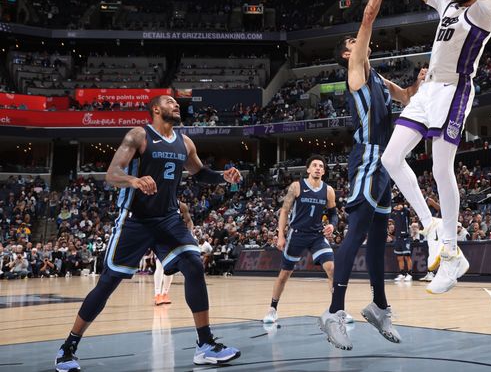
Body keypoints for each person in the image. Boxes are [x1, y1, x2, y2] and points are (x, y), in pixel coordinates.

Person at [54, 95, 241, 371]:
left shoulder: (185, 142)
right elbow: (111, 173)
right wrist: (134, 180)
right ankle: (68, 348)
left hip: (168, 220)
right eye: (169, 102)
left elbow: (199, 173)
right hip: (135, 221)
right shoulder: (139, 135)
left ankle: (205, 345)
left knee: (193, 264)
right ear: (156, 109)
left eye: (177, 103)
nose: (176, 105)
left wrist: (222, 176)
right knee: (107, 283)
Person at [381, 0, 491, 295]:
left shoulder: (487, 9)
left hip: (455, 89)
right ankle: (431, 225)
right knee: (390, 158)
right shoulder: (448, 3)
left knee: (439, 166)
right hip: (428, 90)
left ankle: (451, 253)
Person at [321, 0, 424, 351]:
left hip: (387, 162)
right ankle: (333, 311)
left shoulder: (378, 76)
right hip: (367, 157)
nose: (358, 41)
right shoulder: (356, 73)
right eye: (352, 43)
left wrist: (416, 84)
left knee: (379, 237)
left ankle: (379, 305)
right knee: (358, 233)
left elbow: (404, 97)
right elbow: (366, 21)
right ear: (347, 54)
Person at [263, 155, 337, 324]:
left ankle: (336, 309)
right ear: (309, 169)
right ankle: (272, 308)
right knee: (285, 274)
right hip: (296, 234)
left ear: (324, 171)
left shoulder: (328, 190)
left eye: (321, 166)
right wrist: (281, 235)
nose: (318, 168)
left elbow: (333, 214)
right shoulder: (296, 187)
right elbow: (284, 211)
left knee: (332, 268)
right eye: (315, 165)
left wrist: (332, 226)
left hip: (317, 235)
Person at [153, 202, 193, 306]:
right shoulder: (158, 203)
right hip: (160, 238)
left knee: (171, 268)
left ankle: (165, 293)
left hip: (176, 239)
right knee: (160, 266)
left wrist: (189, 235)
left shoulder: (181, 206)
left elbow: (189, 221)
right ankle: (157, 294)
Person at [391, 202, 413, 282]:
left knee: (407, 256)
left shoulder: (405, 211)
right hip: (397, 238)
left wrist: (404, 206)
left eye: (399, 204)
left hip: (405, 238)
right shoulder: (394, 213)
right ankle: (402, 274)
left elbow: (408, 210)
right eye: (397, 205)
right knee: (399, 257)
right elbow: (391, 210)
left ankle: (410, 274)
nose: (398, 206)